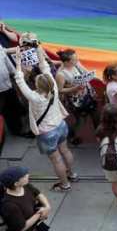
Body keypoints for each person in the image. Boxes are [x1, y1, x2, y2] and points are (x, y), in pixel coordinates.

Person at [12, 46, 76, 192]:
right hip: (61, 125)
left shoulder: (34, 97)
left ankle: (65, 184)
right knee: (65, 151)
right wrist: (40, 52)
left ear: (36, 85)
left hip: (47, 133)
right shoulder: (53, 88)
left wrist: (17, 61)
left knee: (56, 159)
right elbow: (45, 68)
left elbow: (19, 79)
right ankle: (72, 173)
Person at [54, 49, 99, 146]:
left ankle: (100, 136)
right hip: (76, 101)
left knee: (96, 115)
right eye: (74, 59)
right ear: (66, 62)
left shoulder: (76, 64)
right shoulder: (61, 74)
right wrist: (75, 88)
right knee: (80, 120)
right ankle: (70, 136)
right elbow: (59, 90)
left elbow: (86, 73)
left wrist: (97, 78)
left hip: (87, 95)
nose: (77, 60)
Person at [0, 166, 52, 231]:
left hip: (37, 224)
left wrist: (47, 206)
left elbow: (38, 194)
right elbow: (22, 228)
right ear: (16, 183)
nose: (28, 175)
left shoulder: (25, 185)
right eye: (23, 176)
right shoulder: (10, 206)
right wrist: (39, 213)